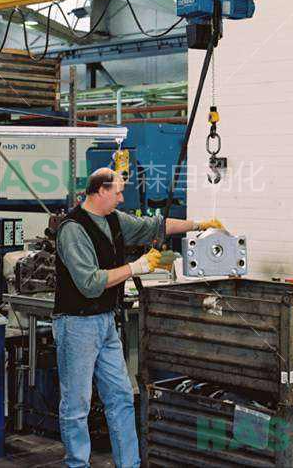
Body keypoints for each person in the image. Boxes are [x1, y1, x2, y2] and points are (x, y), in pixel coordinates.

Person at [53, 167, 225, 468]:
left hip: (106, 321)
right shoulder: (73, 229)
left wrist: (199, 224)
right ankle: (77, 464)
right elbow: (90, 283)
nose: (121, 198)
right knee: (76, 405)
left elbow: (155, 225)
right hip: (77, 324)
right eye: (118, 192)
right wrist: (137, 267)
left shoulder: (114, 220)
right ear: (101, 191)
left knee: (121, 397)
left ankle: (129, 464)